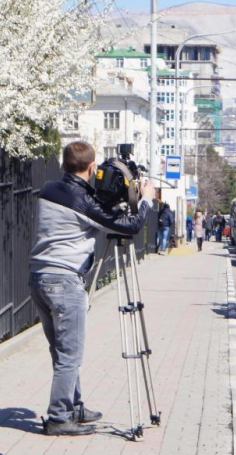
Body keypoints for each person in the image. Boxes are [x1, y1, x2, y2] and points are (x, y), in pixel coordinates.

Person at [28, 141, 155, 436]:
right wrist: (145, 198)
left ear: (63, 165)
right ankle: (59, 418)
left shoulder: (49, 189)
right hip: (64, 282)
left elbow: (84, 204)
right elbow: (130, 226)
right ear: (90, 167)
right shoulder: (82, 202)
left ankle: (74, 406)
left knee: (60, 351)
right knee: (70, 354)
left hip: (39, 277)